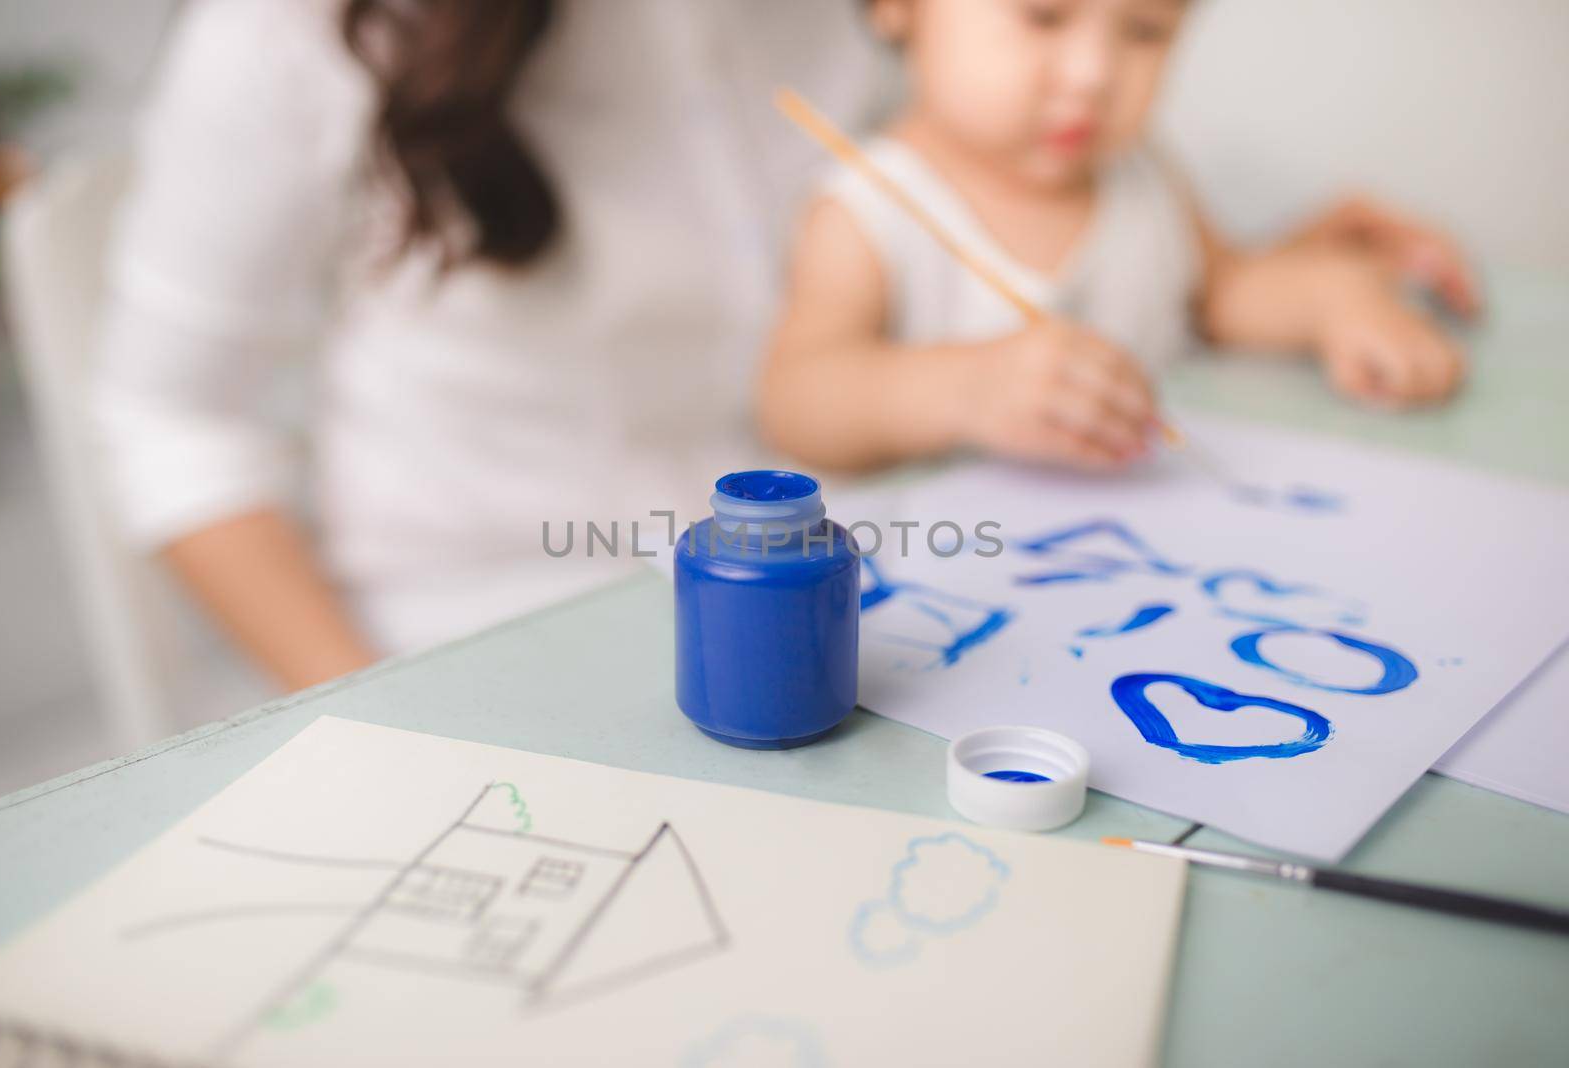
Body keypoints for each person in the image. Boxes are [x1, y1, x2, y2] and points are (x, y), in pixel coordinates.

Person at [91, 0, 893, 691]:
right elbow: (171, 420)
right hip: (479, 631)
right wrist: (373, 719)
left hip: (852, 575)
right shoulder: (293, 30)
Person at [759, 0, 1480, 473]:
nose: (1093, 74)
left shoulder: (1143, 177)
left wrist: (1333, 299)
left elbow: (1222, 291)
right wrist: (968, 389)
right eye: (1043, 16)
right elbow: (795, 401)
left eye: (1145, 31)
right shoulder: (867, 210)